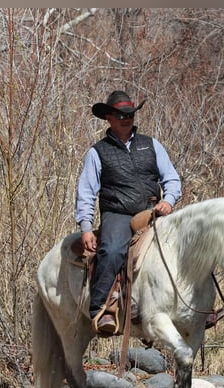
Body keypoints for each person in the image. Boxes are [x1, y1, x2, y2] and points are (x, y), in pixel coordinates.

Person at [76, 90, 182, 334]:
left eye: (130, 114)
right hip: (118, 213)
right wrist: (85, 227)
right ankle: (102, 309)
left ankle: (197, 307)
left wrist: (169, 201)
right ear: (109, 118)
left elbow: (171, 178)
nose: (126, 119)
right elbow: (86, 192)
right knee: (112, 250)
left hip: (154, 210)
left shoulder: (152, 145)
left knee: (191, 241)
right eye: (120, 115)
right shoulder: (97, 152)